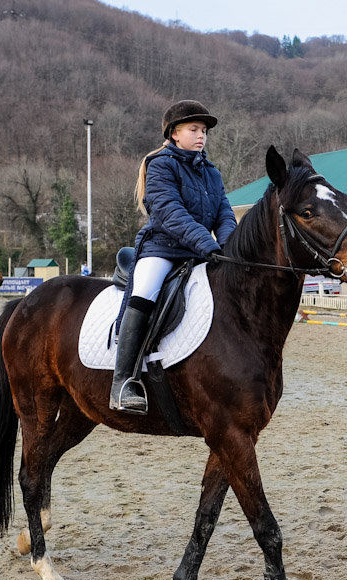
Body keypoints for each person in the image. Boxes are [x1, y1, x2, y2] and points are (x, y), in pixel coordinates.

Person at [109, 100, 237, 412]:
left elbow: (224, 213)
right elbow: (170, 214)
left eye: (204, 130)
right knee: (146, 291)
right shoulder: (161, 165)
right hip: (162, 249)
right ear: (174, 133)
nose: (201, 135)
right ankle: (122, 381)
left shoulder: (212, 172)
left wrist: (229, 247)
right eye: (194, 129)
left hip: (198, 252)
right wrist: (206, 245)